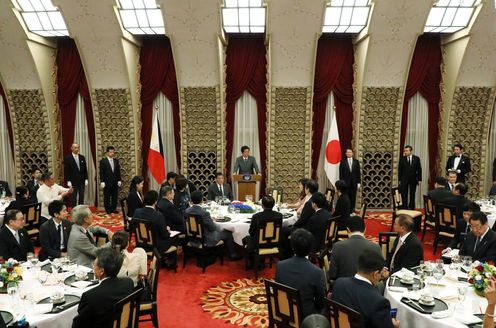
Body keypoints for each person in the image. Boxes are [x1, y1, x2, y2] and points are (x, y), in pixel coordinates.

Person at [332, 250, 400, 328]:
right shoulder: (379, 302)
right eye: (381, 274)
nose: (380, 277)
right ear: (375, 274)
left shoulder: (338, 283)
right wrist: (393, 325)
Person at [72, 248, 134, 328]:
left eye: (94, 265)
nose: (93, 267)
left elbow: (79, 325)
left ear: (101, 271)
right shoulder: (128, 283)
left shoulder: (90, 296)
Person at [275, 229, 325, 319]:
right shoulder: (317, 272)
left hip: (284, 313)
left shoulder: (280, 265)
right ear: (310, 248)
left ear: (292, 247)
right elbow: (320, 303)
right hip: (306, 319)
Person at [185, 190, 240, 260]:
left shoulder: (187, 211)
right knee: (228, 233)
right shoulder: (204, 213)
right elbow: (213, 228)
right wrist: (211, 220)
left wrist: (209, 219)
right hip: (207, 239)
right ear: (202, 199)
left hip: (192, 239)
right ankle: (233, 255)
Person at [329, 216, 382, 280]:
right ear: (365, 229)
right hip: (367, 288)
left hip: (343, 287)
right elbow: (378, 275)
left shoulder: (337, 246)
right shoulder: (375, 247)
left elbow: (332, 274)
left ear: (348, 230)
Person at [243, 195, 282, 265]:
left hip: (258, 244)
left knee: (245, 239)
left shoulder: (256, 216)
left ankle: (252, 261)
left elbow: (251, 232)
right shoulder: (279, 215)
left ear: (262, 205)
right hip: (274, 243)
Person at [134, 190, 175, 255]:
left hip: (141, 244)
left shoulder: (137, 212)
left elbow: (133, 228)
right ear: (156, 201)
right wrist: (168, 231)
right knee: (174, 239)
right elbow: (164, 235)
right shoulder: (158, 215)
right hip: (155, 246)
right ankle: (170, 262)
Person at [398, 145, 422, 210]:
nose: (405, 152)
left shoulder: (416, 158)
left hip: (413, 179)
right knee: (404, 194)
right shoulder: (402, 158)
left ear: (411, 151)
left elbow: (419, 169)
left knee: (412, 194)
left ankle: (411, 207)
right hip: (404, 179)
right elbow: (400, 170)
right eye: (405, 151)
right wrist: (399, 180)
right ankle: (404, 207)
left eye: (407, 151)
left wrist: (419, 179)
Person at [99, 146, 122, 214]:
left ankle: (113, 209)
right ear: (107, 153)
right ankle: (107, 209)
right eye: (110, 152)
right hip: (107, 182)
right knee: (107, 196)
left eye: (113, 152)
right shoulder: (103, 161)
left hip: (115, 182)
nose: (112, 153)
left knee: (114, 196)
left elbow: (118, 171)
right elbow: (101, 172)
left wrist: (119, 180)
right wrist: (102, 181)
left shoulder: (116, 160)